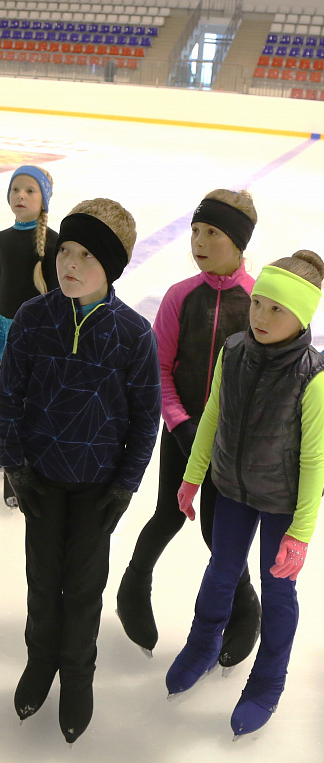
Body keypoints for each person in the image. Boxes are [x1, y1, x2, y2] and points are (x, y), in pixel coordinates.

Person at [0, 199, 161, 743]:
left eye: (85, 255)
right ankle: (40, 661)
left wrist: (125, 483)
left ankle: (77, 673)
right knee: (42, 580)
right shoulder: (33, 318)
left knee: (85, 587)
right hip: (42, 478)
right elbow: (10, 395)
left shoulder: (132, 334)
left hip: (96, 488)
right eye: (64, 249)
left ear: (111, 268)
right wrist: (17, 466)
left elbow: (145, 416)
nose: (68, 263)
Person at [167, 251, 324, 738]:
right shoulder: (233, 351)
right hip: (232, 489)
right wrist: (193, 476)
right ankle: (203, 642)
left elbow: (315, 462)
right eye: (258, 302)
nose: (260, 315)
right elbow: (212, 416)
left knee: (278, 591)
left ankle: (267, 679)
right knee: (220, 572)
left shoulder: (313, 378)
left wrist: (300, 533)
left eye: (276, 309)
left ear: (301, 316)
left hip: (281, 503)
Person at [116, 190, 259, 664]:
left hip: (230, 445)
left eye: (211, 232)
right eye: (195, 230)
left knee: (219, 531)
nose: (197, 240)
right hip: (182, 433)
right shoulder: (181, 296)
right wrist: (179, 424)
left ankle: (246, 606)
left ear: (238, 241)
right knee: (168, 515)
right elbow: (159, 367)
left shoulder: (258, 302)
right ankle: (133, 585)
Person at [0, 165, 59, 506]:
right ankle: (10, 453)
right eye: (16, 189)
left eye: (30, 190)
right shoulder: (0, 240)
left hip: (41, 337)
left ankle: (25, 465)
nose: (21, 195)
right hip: (6, 331)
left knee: (32, 402)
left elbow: (61, 296)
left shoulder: (54, 242)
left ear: (44, 199)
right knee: (8, 398)